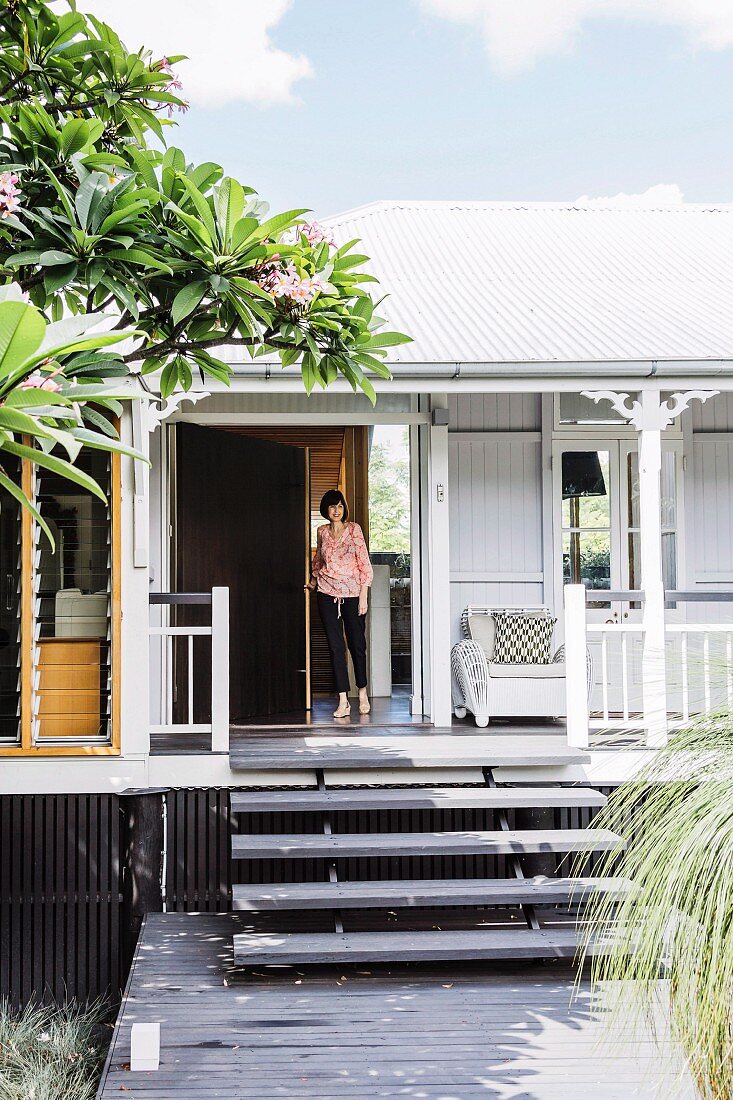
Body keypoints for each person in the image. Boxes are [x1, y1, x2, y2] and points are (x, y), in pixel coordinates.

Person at [307, 490, 373, 718]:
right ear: (326, 510)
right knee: (336, 647)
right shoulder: (322, 532)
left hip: (353, 594)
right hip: (326, 592)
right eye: (332, 507)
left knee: (357, 644)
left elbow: (364, 562)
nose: (336, 510)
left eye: (340, 506)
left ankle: (362, 692)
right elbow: (318, 560)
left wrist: (363, 596)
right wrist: (314, 582)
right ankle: (343, 699)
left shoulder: (354, 529)